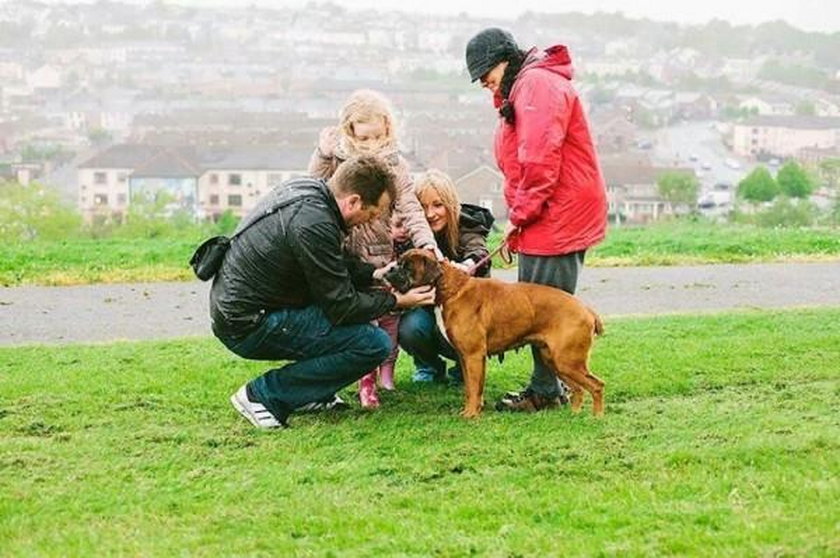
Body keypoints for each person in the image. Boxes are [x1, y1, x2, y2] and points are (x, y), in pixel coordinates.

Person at [210, 156, 436, 429]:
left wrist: (373, 273)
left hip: (249, 308)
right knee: (373, 344)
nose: (372, 221)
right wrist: (396, 300)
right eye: (374, 213)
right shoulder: (314, 224)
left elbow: (330, 263)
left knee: (358, 327)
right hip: (248, 324)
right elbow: (342, 307)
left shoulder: (312, 194)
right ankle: (262, 395)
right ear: (353, 202)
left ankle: (309, 394)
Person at [464, 28, 607, 412]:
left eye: (484, 72)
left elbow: (539, 159)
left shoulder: (536, 87)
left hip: (555, 215)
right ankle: (548, 388)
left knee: (543, 311)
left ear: (505, 59)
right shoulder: (525, 86)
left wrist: (520, 214)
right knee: (534, 306)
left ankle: (547, 391)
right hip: (546, 213)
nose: (482, 82)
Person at [309, 89, 438, 409]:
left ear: (388, 131)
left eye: (378, 137)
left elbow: (410, 207)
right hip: (339, 253)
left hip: (378, 256)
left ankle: (376, 380)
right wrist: (323, 155)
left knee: (380, 320)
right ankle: (344, 383)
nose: (371, 145)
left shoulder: (395, 165)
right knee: (344, 320)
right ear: (349, 131)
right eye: (364, 138)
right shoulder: (335, 159)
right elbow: (310, 191)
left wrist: (428, 245)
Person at [398, 169, 494, 384]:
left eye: (437, 205)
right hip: (427, 308)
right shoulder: (411, 234)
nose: (430, 213)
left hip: (469, 311)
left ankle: (465, 366)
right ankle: (429, 366)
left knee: (464, 328)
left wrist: (467, 265)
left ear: (451, 204)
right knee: (410, 328)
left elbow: (479, 251)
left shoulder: (468, 225)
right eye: (423, 207)